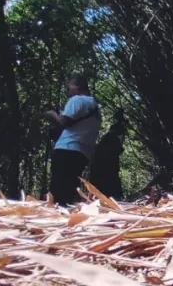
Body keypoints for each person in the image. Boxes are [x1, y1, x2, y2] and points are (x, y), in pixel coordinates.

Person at [44, 75, 101, 205]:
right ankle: (68, 215)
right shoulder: (94, 107)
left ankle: (58, 216)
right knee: (69, 188)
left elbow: (64, 121)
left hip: (67, 148)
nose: (67, 91)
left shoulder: (77, 100)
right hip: (82, 153)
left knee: (58, 189)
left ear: (77, 87)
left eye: (69, 87)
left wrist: (52, 114)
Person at [89, 110, 126, 199]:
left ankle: (112, 197)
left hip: (105, 161)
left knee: (109, 176)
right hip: (104, 161)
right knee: (108, 176)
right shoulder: (111, 137)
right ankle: (110, 196)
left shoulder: (112, 136)